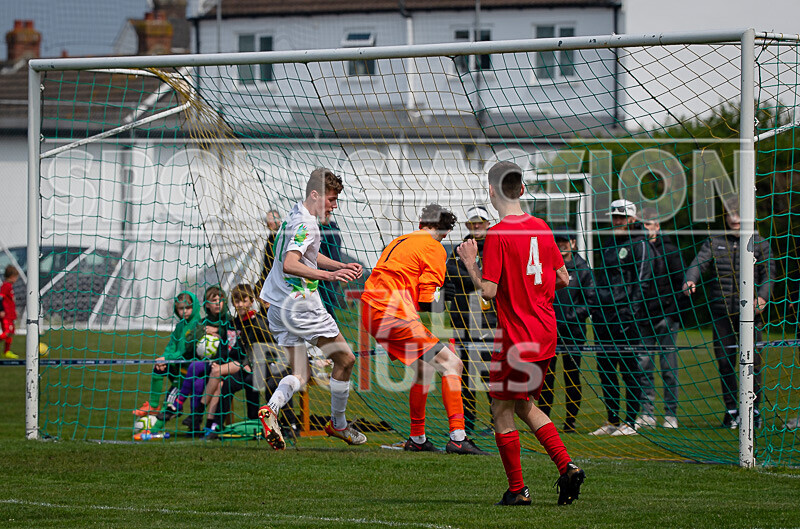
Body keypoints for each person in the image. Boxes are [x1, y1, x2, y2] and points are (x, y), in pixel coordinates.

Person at [457, 161, 584, 506]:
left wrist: (471, 262)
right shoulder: (541, 227)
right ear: (523, 190)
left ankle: (517, 490)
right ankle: (567, 466)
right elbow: (563, 278)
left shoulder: (498, 234)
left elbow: (488, 291)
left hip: (517, 338)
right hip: (545, 333)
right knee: (525, 404)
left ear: (491, 191)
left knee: (500, 410)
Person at [362, 203, 488, 455]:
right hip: (393, 312)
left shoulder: (401, 240)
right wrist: (445, 296)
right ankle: (458, 437)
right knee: (453, 363)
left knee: (425, 368)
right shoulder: (433, 247)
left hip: (370, 310)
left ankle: (417, 438)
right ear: (443, 231)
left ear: (421, 224)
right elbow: (428, 300)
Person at [258, 167, 366, 450]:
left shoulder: (295, 216)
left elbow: (309, 255)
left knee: (301, 373)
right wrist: (330, 276)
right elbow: (290, 263)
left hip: (279, 309)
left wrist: (339, 264)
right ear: (315, 194)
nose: (334, 205)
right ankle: (338, 424)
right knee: (346, 361)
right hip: (301, 308)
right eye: (331, 199)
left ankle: (272, 408)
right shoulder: (308, 224)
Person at [683, 210, 774, 428]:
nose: (735, 219)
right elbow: (699, 262)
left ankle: (754, 410)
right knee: (725, 362)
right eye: (731, 215)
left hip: (750, 315)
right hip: (721, 312)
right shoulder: (715, 242)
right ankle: (732, 410)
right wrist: (690, 279)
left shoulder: (760, 243)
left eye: (739, 214)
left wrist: (762, 297)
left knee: (753, 363)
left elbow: (769, 274)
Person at [590, 199, 654, 437]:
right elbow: (602, 278)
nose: (616, 221)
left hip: (627, 318)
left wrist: (631, 314)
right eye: (614, 217)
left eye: (621, 217)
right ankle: (613, 420)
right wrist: (596, 305)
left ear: (632, 219)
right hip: (603, 317)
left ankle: (631, 421)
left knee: (629, 370)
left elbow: (642, 281)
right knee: (606, 370)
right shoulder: (607, 243)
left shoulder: (640, 244)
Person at [201, 284, 300, 438]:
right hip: (251, 367)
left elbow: (271, 347)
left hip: (270, 365)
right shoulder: (236, 323)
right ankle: (218, 425)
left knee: (272, 384)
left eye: (243, 300)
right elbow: (244, 347)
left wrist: (253, 362)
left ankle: (289, 425)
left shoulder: (259, 322)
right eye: (236, 301)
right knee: (228, 384)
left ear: (251, 301)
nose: (240, 304)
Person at [443, 205, 497, 435]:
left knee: (489, 375)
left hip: (489, 322)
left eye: (480, 222)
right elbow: (452, 274)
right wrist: (478, 275)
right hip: (462, 320)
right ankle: (468, 425)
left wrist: (475, 275)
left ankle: (498, 423)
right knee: (464, 377)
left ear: (488, 223)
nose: (476, 226)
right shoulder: (459, 249)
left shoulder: (496, 247)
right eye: (472, 222)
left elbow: (492, 281)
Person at [537, 227, 596, 433]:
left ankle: (570, 422)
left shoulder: (583, 268)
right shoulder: (547, 265)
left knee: (571, 376)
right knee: (546, 377)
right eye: (557, 241)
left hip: (573, 333)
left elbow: (590, 302)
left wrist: (569, 317)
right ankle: (544, 421)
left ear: (573, 242)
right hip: (548, 331)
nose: (560, 245)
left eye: (564, 241)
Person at [155, 285, 236, 433]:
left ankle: (178, 404)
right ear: (206, 305)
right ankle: (195, 423)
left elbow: (234, 339)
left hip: (224, 365)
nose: (218, 303)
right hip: (206, 366)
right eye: (213, 301)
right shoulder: (202, 323)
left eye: (220, 300)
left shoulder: (230, 321)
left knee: (193, 368)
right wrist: (202, 336)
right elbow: (189, 345)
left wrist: (219, 333)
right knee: (198, 384)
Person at [636, 208, 684, 430]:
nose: (647, 228)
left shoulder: (671, 250)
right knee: (643, 366)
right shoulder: (637, 249)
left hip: (666, 318)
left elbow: (681, 284)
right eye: (643, 224)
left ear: (658, 226)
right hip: (643, 317)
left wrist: (673, 314)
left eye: (650, 224)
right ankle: (647, 413)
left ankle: (671, 414)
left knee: (668, 368)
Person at [133, 291, 202, 417]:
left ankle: (164, 418)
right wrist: (163, 358)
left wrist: (167, 358)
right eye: (181, 308)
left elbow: (185, 350)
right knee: (158, 368)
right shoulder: (180, 326)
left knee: (172, 394)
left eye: (188, 308)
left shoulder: (198, 325)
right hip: (176, 362)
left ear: (195, 307)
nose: (184, 311)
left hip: (188, 368)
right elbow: (172, 345)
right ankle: (153, 405)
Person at [319, 219, 344, 321]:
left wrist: (330, 274)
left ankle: (332, 332)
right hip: (316, 276)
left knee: (327, 311)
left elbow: (335, 256)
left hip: (328, 279)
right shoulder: (315, 229)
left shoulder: (332, 233)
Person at [255, 209, 282, 295]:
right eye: (268, 220)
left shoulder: (282, 237)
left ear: (279, 221)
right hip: (270, 280)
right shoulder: (270, 239)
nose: (270, 222)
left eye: (273, 219)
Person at [0, 265, 20, 359]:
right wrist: (1, 310)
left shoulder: (9, 286)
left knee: (11, 332)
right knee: (7, 332)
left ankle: (6, 351)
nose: (16, 279)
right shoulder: (5, 286)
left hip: (10, 315)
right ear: (12, 276)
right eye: (16, 277)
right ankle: (6, 351)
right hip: (6, 315)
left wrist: (14, 311)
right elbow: (0, 298)